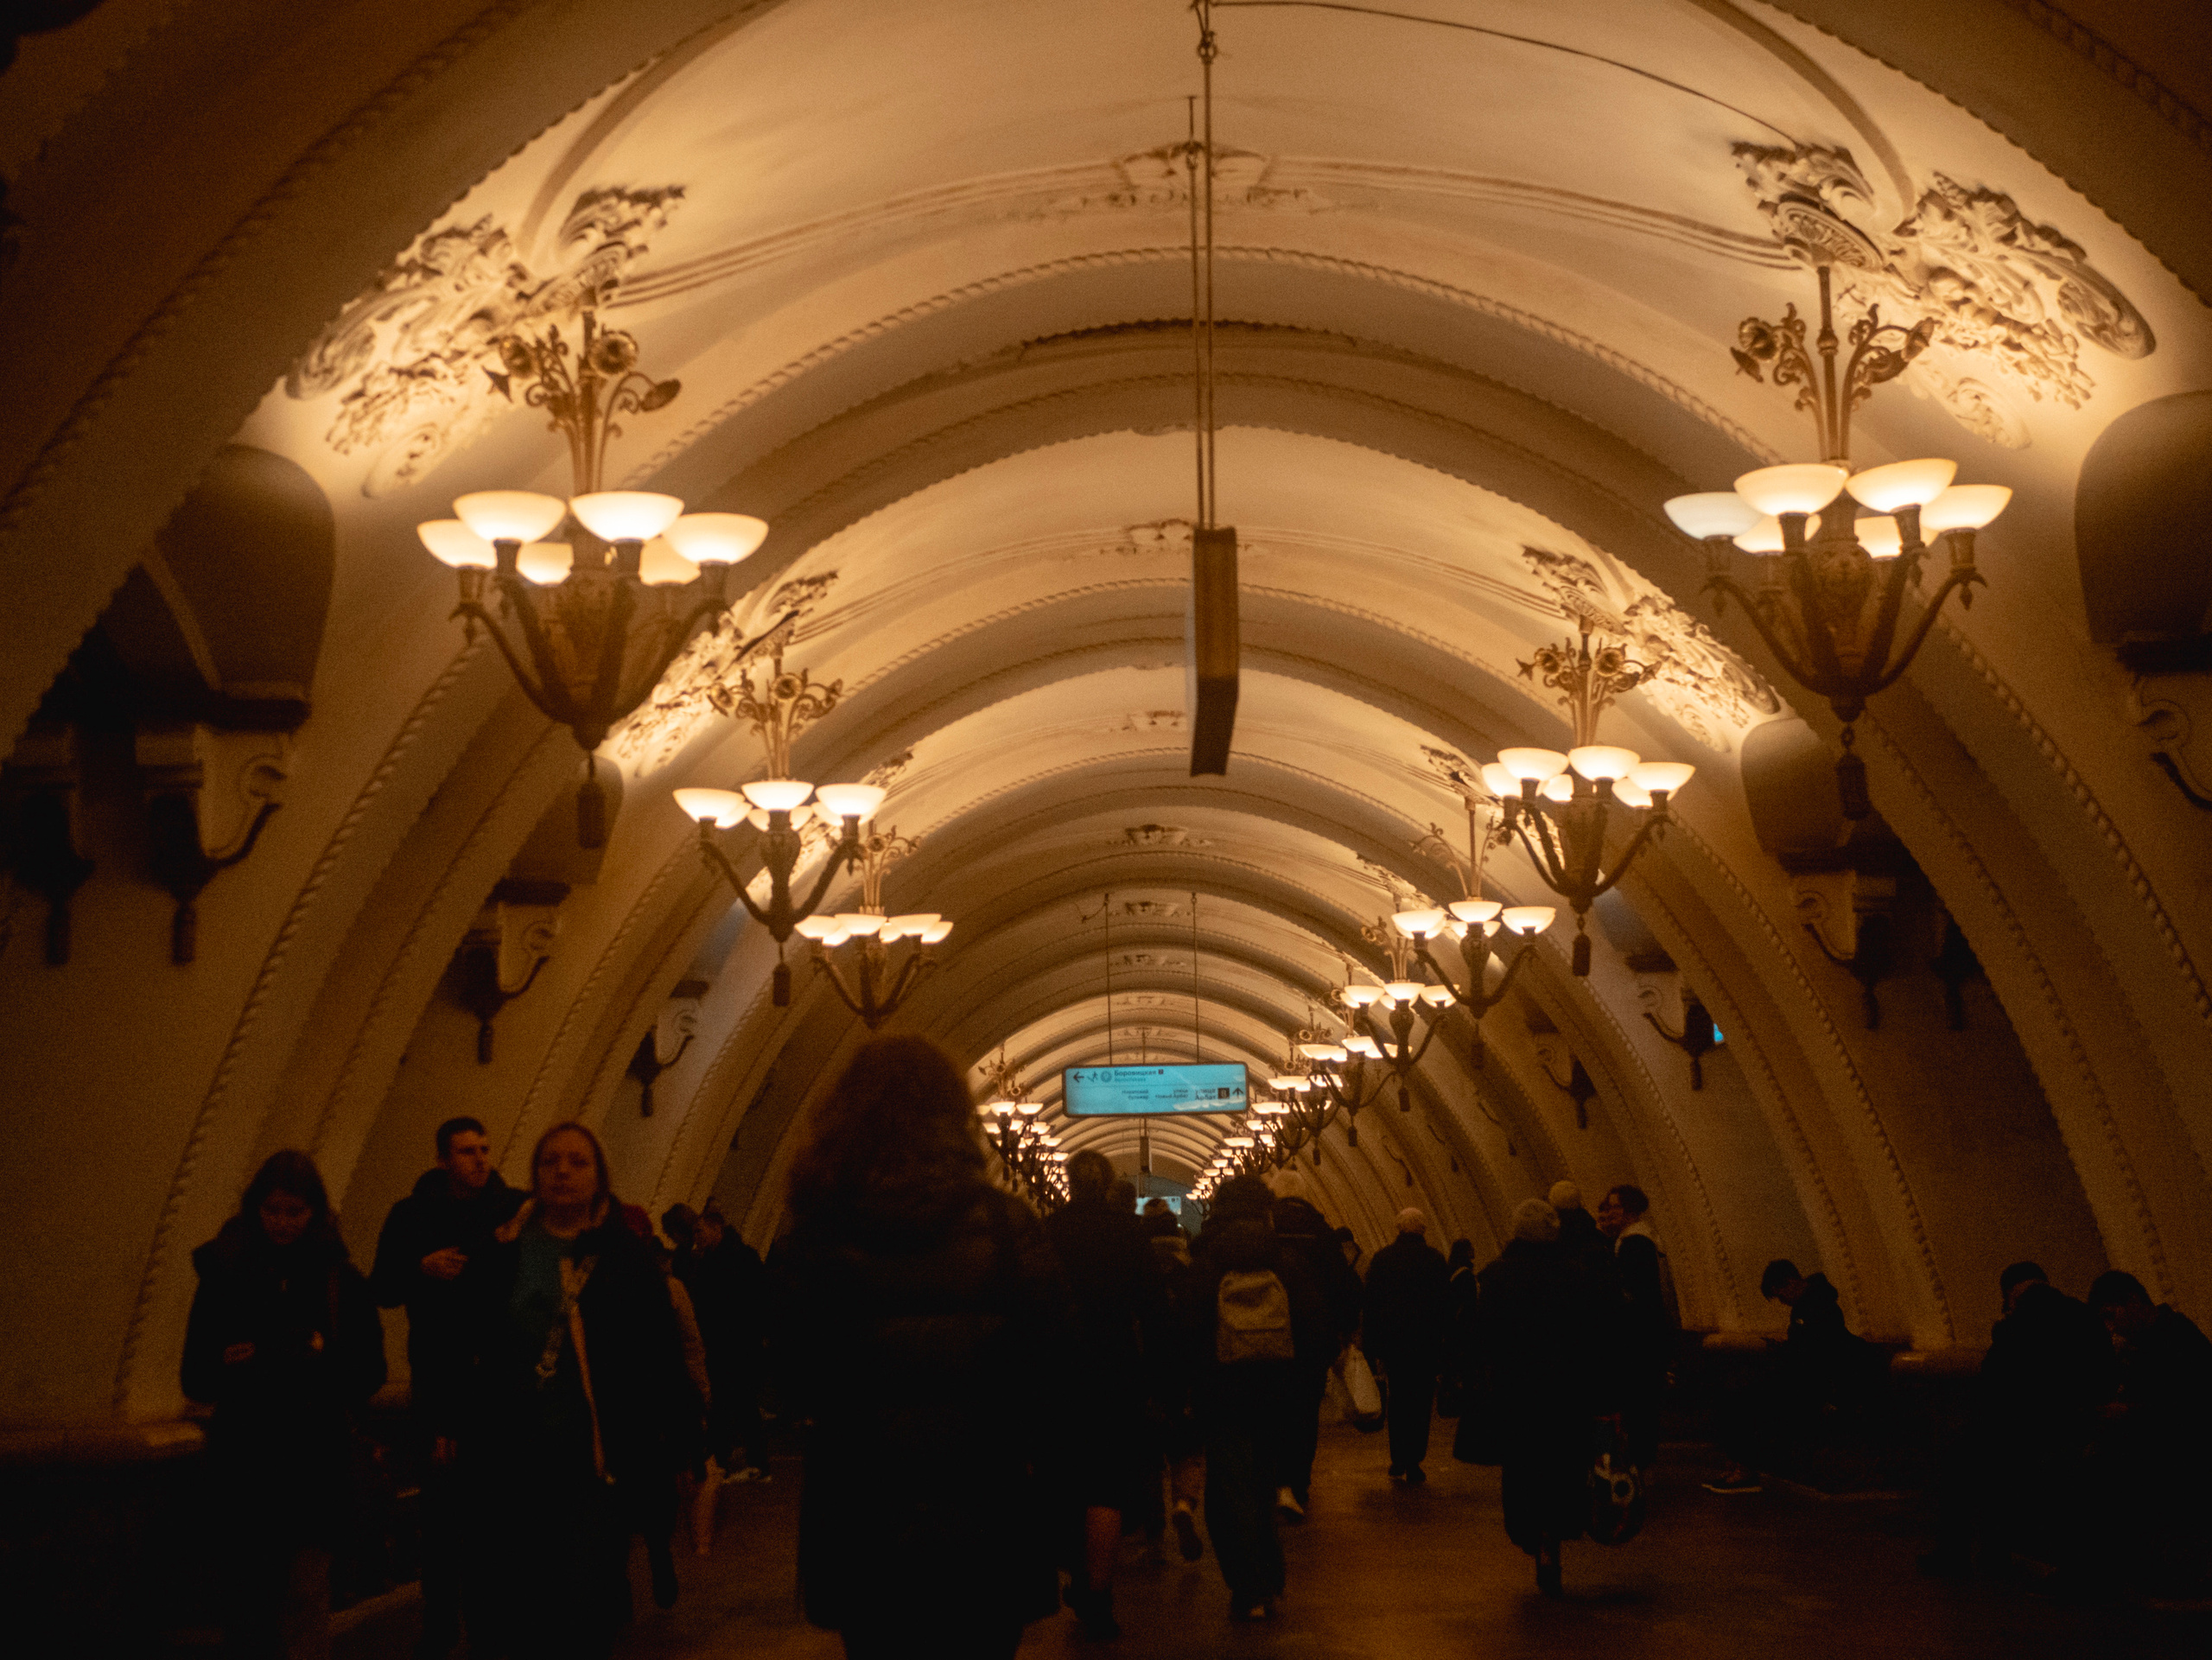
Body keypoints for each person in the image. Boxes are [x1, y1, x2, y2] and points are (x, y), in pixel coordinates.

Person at [775, 1036, 1069, 1660]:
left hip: (864, 1514)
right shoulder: (1007, 1227)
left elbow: (792, 1379)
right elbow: (1050, 1369)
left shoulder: (816, 1237)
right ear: (955, 1115)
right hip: (986, 1507)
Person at [465, 1123, 697, 1659]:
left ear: (599, 1177)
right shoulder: (505, 1249)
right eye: (550, 1162)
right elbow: (472, 1339)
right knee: (520, 1598)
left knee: (587, 1596)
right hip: (516, 1451)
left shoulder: (624, 1256)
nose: (562, 1172)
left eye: (577, 1162)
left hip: (596, 1454)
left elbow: (659, 1353)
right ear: (534, 1174)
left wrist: (683, 1438)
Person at [183, 1151, 387, 1660]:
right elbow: (195, 1376)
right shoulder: (224, 1272)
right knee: (247, 1603)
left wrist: (321, 1353)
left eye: (294, 1212)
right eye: (273, 1211)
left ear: (315, 1212)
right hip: (245, 1463)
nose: (282, 1223)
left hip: (315, 1465)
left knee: (303, 1595)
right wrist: (227, 1361)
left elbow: (370, 1373)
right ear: (256, 1209)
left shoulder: (340, 1279)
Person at [370, 1116, 522, 1659]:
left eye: (485, 1148)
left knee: (493, 1519)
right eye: (466, 1151)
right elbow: (382, 1287)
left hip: (498, 1387)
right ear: (442, 1159)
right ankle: (438, 1627)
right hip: (438, 1382)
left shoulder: (513, 1210)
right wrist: (420, 1267)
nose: (480, 1159)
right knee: (441, 1522)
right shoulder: (411, 1216)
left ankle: (491, 1626)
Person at [1191, 1173, 1325, 1621]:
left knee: (1229, 1487)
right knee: (1264, 1482)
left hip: (1221, 1390)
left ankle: (1246, 1582)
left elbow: (1184, 1332)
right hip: (1276, 1390)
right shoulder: (1284, 1260)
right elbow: (1311, 1326)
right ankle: (1269, 1578)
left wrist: (1183, 1391)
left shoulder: (1206, 1263)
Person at [1042, 1149, 1164, 1638]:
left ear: (1068, 1183)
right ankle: (1099, 1590)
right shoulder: (1129, 1233)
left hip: (1060, 1372)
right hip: (1116, 1370)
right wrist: (1158, 1376)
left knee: (1066, 1477)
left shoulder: (1048, 1231)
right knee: (1107, 1484)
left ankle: (1074, 1572)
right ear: (1109, 1183)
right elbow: (1154, 1308)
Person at [1470, 1198, 1615, 1597]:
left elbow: (1484, 1337)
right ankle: (1554, 1533)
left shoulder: (1497, 1277)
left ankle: (1531, 1532)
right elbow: (1596, 1337)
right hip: (1567, 1391)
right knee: (1563, 1464)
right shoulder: (1576, 1276)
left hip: (1517, 1392)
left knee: (1522, 1466)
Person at [1706, 1258, 1873, 1494]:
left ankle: (1744, 1466)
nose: (1783, 1302)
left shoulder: (1821, 1306)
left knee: (1743, 1398)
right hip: (1802, 1379)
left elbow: (1817, 1354)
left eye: (1781, 1296)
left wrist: (1785, 1352)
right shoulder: (1805, 1307)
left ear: (1791, 1283)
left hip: (1815, 1385)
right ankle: (1735, 1462)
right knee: (1732, 1393)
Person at [2086, 1270, 2210, 1584]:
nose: (2111, 1326)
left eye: (2111, 1315)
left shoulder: (2177, 1338)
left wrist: (2130, 1412)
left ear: (2134, 1301)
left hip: (2184, 1452)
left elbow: (2191, 1407)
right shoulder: (2146, 1343)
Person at [1269, 1186, 1362, 1516]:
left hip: (1267, 1336)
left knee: (1271, 1410)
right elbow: (1346, 1286)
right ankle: (1297, 1483)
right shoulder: (1322, 1233)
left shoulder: (1265, 1229)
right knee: (1305, 1412)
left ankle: (1273, 1480)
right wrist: (1343, 1330)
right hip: (1312, 1339)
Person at [675, 1201, 771, 1487]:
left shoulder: (727, 1261)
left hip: (733, 1343)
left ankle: (744, 1461)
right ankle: (743, 1460)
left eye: (700, 1230)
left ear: (717, 1228)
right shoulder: (731, 1257)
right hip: (731, 1342)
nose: (697, 1237)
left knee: (735, 1403)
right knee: (737, 1404)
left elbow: (743, 1303)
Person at [1361, 1208, 1452, 1484]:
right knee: (1422, 1402)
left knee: (1398, 1398)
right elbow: (1444, 1307)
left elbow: (1372, 1304)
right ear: (1423, 1229)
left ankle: (1398, 1457)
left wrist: (1372, 1346)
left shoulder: (1383, 1259)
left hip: (1394, 1343)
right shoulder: (1435, 1260)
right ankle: (1415, 1459)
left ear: (1398, 1228)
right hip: (1426, 1344)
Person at [1597, 1184, 1675, 1469]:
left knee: (1640, 1404)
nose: (1611, 1212)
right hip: (1648, 1337)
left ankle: (1641, 1462)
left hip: (1640, 1340)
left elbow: (1633, 1295)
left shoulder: (1635, 1243)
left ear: (1630, 1210)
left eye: (1615, 1207)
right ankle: (1642, 1459)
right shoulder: (1640, 1238)